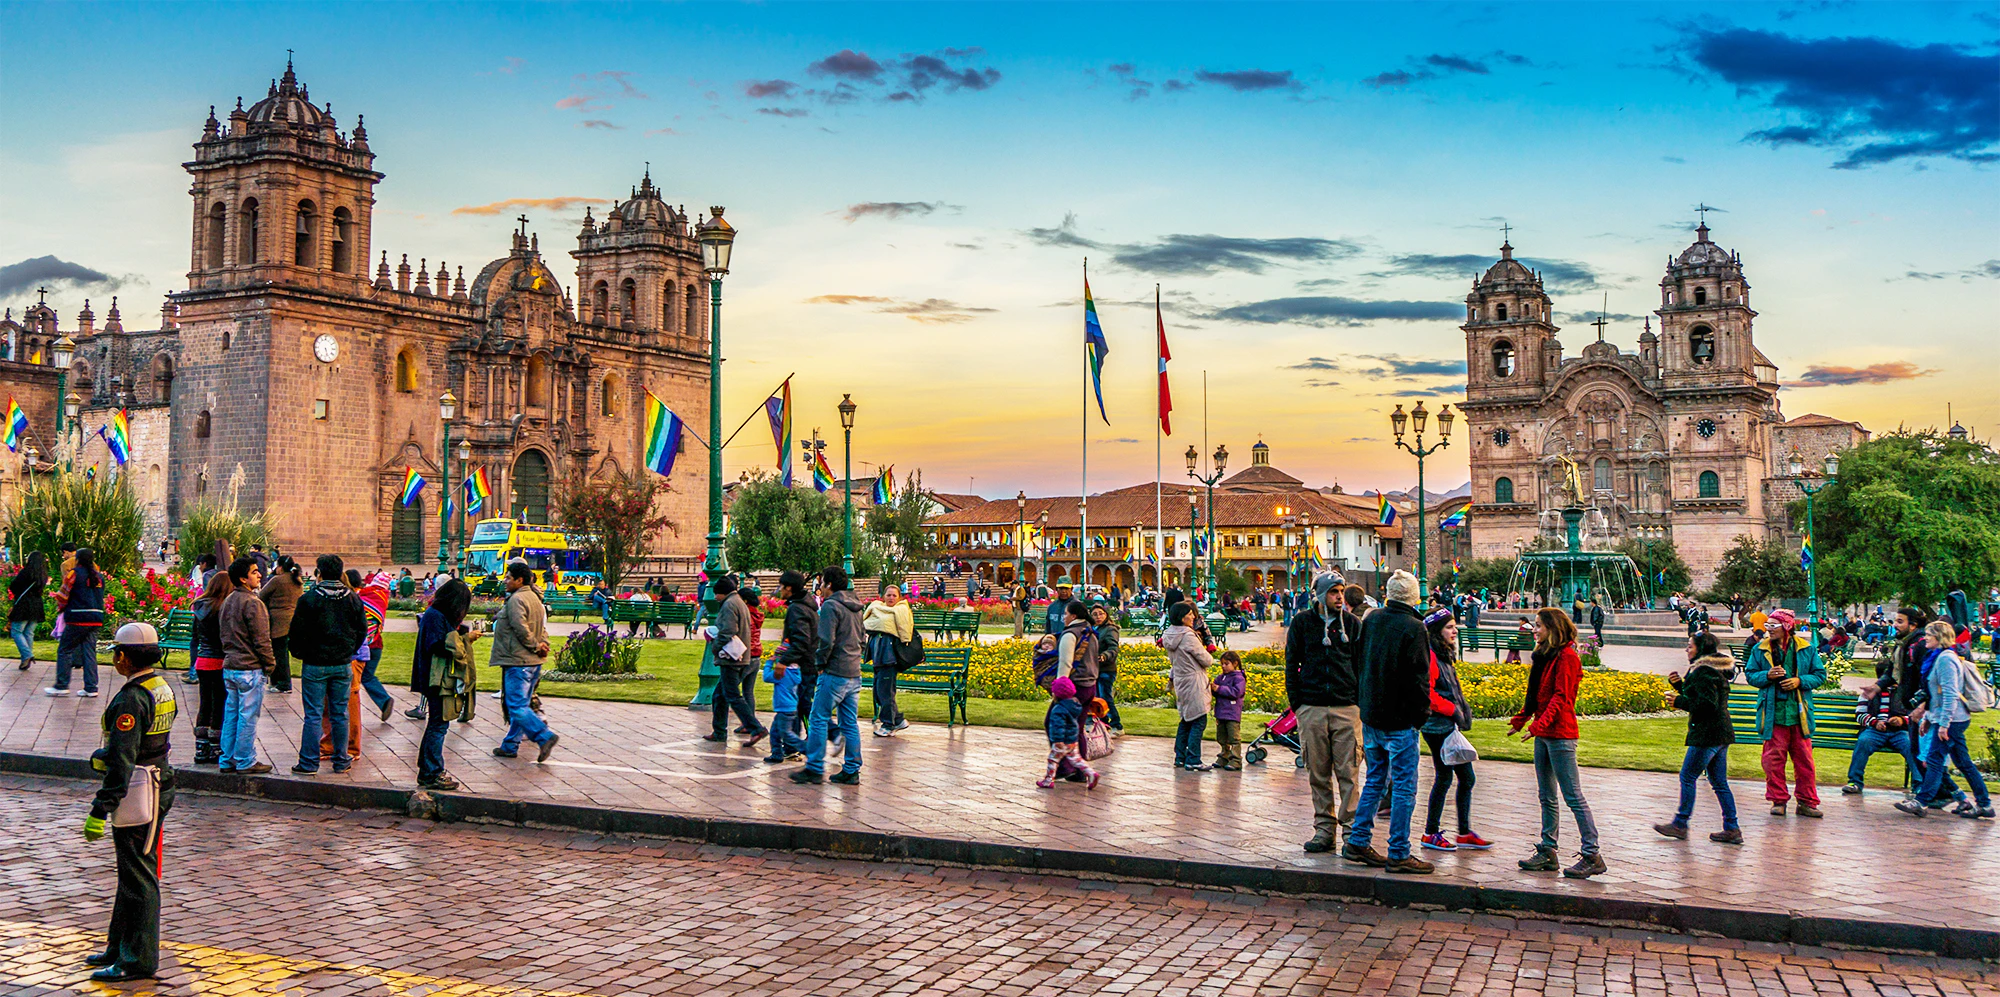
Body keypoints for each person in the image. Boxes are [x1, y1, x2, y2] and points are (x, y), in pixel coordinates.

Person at [79, 622, 177, 982]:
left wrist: (100, 808)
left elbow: (123, 757)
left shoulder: (131, 698)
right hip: (156, 780)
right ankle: (118, 946)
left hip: (140, 788)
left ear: (124, 656)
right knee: (131, 873)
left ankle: (137, 959)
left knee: (138, 877)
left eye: (116, 654)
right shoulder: (161, 685)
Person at [1342, 570, 1433, 875]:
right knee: (1405, 785)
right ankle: (1399, 851)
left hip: (1372, 713)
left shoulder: (1372, 619)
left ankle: (1358, 839)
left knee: (1375, 779)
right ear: (1414, 596)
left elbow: (1358, 660)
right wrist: (1421, 714)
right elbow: (1419, 677)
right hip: (1400, 717)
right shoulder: (1414, 627)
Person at [1511, 606, 1604, 879]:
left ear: (1553, 629)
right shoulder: (1545, 656)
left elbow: (1561, 698)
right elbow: (1539, 693)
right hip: (1545, 734)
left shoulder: (1567, 657)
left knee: (1573, 796)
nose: (1534, 629)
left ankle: (1592, 854)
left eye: (1539, 625)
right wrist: (1524, 717)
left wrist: (1538, 725)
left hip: (1561, 734)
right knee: (1546, 796)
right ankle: (1548, 850)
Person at [1287, 571, 1363, 854]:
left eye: (1342, 591)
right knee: (1318, 774)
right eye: (1334, 592)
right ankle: (1324, 830)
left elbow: (1360, 665)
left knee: (1349, 774)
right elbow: (1291, 664)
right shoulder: (1302, 623)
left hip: (1346, 708)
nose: (1340, 597)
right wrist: (1299, 705)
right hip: (1313, 708)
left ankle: (1352, 832)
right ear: (1320, 595)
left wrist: (1358, 703)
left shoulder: (1353, 625)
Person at [1896, 621, 1994, 819]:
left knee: (1934, 759)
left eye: (1929, 635)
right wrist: (1930, 718)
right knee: (1963, 762)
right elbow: (1936, 696)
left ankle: (1922, 801)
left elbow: (1950, 695)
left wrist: (1944, 724)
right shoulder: (1938, 658)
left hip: (1953, 719)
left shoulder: (1946, 660)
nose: (1925, 639)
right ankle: (1984, 804)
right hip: (1946, 717)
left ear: (1940, 637)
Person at [1655, 631, 1741, 844]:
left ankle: (1680, 824)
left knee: (1688, 776)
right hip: (1720, 732)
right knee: (1719, 782)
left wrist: (1679, 701)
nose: (1687, 649)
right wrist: (1679, 687)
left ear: (1700, 649)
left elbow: (1706, 704)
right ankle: (1732, 828)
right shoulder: (1714, 668)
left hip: (1708, 733)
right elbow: (1700, 696)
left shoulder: (1703, 671)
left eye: (1690, 646)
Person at [286, 555, 365, 776]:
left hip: (315, 663)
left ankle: (309, 762)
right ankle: (341, 759)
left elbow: (296, 632)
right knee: (340, 713)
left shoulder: (310, 599)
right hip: (341, 663)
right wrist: (348, 650)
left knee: (313, 714)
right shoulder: (352, 599)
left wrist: (300, 653)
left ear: (319, 572)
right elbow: (361, 631)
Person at [1419, 609, 1489, 853]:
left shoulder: (1443, 655)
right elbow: (1428, 693)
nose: (1454, 630)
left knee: (1465, 778)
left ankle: (1464, 831)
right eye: (1449, 627)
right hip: (1437, 726)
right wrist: (1452, 710)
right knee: (1445, 776)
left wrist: (1462, 710)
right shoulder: (1430, 655)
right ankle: (1430, 832)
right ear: (1437, 631)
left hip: (1448, 724)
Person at [1745, 608, 1824, 818]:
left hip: (1799, 714)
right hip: (1774, 714)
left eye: (1773, 626)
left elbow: (1819, 675)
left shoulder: (1807, 649)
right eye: (1767, 626)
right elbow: (1751, 675)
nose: (1768, 630)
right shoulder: (1759, 649)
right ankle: (1778, 800)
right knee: (1773, 760)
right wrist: (1767, 675)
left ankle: (1807, 802)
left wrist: (1800, 681)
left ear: (1786, 627)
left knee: (1805, 761)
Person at [792, 566, 865, 785]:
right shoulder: (856, 606)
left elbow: (826, 640)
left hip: (834, 671)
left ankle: (814, 767)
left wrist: (820, 663)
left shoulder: (831, 606)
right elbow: (862, 638)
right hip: (853, 671)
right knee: (849, 722)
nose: (820, 587)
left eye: (822, 583)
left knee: (818, 717)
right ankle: (852, 769)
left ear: (829, 585)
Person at [411, 578, 475, 790]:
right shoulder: (434, 616)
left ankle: (427, 769)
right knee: (439, 724)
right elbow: (438, 645)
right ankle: (432, 771)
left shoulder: (435, 615)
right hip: (436, 679)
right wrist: (465, 639)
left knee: (437, 723)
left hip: (436, 678)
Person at [490, 562, 559, 761]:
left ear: (520, 580)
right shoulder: (535, 599)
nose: (505, 581)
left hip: (519, 661)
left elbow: (521, 628)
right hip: (531, 662)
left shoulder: (516, 599)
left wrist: (536, 645)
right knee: (522, 706)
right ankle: (510, 745)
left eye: (509, 577)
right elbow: (541, 628)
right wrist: (543, 643)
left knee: (516, 706)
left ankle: (543, 736)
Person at [218, 557, 275, 774]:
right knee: (248, 716)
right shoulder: (252, 603)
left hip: (231, 665)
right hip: (249, 667)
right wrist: (269, 664)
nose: (259, 574)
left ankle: (228, 759)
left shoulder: (228, 601)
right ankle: (245, 760)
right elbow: (262, 639)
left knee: (232, 714)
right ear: (243, 579)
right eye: (254, 572)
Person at [703, 575, 765, 747]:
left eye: (716, 594)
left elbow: (729, 629)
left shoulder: (730, 604)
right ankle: (719, 731)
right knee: (719, 695)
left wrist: (715, 645)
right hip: (741, 656)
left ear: (722, 592)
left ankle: (755, 728)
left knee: (732, 696)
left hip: (732, 658)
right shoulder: (738, 601)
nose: (715, 597)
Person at [767, 570, 817, 765]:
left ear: (789, 588)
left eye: (781, 586)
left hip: (802, 666)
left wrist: (783, 661)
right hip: (806, 663)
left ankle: (806, 745)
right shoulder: (806, 605)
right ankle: (792, 747)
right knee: (800, 707)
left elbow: (801, 641)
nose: (779, 590)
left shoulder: (797, 609)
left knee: (800, 707)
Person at [48, 547, 109, 697]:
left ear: (78, 559)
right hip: (95, 618)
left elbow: (63, 595)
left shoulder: (74, 574)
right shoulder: (99, 577)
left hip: (77, 618)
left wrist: (61, 608)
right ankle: (91, 687)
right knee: (89, 652)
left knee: (65, 650)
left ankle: (61, 685)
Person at [1844, 675, 1917, 798]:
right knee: (1863, 741)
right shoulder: (1869, 693)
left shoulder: (1905, 693)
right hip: (1874, 731)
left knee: (1911, 746)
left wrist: (1901, 720)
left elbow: (1915, 715)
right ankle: (1855, 782)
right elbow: (1860, 715)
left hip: (1899, 731)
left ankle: (1918, 784)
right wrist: (1875, 722)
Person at [1164, 601, 1213, 771]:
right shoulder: (1188, 636)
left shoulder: (1169, 634)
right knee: (1199, 719)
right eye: (1190, 614)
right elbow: (1206, 659)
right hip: (1194, 680)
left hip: (1180, 679)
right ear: (1182, 617)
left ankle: (1180, 756)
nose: (1193, 617)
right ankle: (1193, 759)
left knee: (1186, 719)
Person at [863, 584, 913, 737]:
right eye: (888, 595)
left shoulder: (900, 611)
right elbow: (868, 625)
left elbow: (903, 630)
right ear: (883, 597)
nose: (891, 598)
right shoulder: (877, 608)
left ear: (899, 598)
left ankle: (888, 724)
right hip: (878, 658)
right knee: (879, 693)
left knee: (885, 693)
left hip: (889, 658)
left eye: (894, 596)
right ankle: (898, 719)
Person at [1037, 675, 1100, 789]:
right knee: (1076, 759)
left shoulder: (1058, 709)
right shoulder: (1074, 704)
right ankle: (1090, 773)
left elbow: (1058, 726)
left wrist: (1058, 740)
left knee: (1053, 759)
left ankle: (1048, 779)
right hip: (1072, 740)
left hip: (1062, 741)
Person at [259, 555, 303, 694]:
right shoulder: (297, 580)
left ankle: (282, 683)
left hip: (279, 621)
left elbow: (261, 595)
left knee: (279, 653)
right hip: (294, 619)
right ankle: (282, 682)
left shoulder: (277, 580)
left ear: (281, 567)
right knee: (284, 653)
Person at [10, 550, 46, 672]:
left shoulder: (26, 572)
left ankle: (27, 655)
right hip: (37, 604)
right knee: (29, 632)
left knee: (16, 631)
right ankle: (25, 659)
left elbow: (14, 585)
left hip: (24, 604)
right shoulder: (42, 574)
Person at [1090, 603, 1123, 735]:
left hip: (1106, 668)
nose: (1098, 617)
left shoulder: (1110, 629)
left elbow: (1113, 648)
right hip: (1095, 669)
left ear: (1106, 615)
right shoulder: (1093, 629)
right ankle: (1104, 724)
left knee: (1105, 697)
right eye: (1095, 614)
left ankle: (1117, 725)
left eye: (1101, 614)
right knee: (1097, 698)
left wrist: (1105, 656)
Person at [1211, 651, 1246, 770]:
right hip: (1221, 712)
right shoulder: (1221, 677)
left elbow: (1236, 692)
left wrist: (1219, 689)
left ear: (1235, 663)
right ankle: (1224, 755)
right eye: (1222, 664)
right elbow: (1215, 690)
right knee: (1221, 737)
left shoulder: (1239, 678)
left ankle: (1236, 759)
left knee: (1234, 737)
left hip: (1232, 713)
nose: (1223, 666)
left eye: (1226, 664)